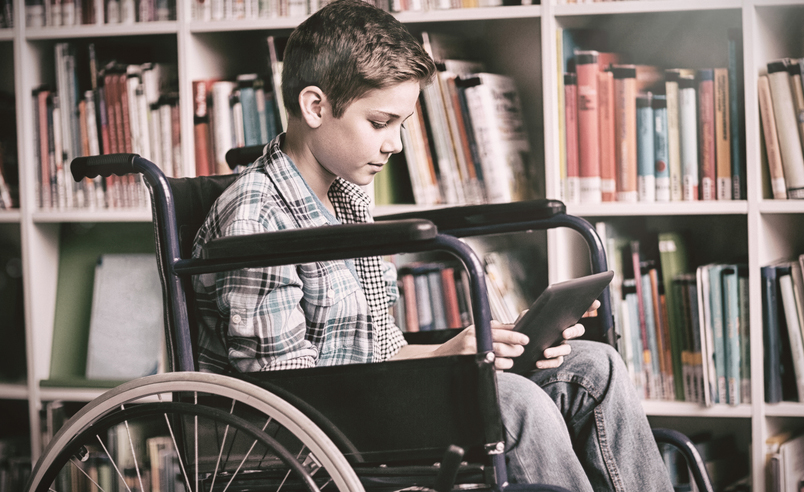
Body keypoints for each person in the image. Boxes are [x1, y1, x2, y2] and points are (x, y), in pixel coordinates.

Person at [191, 1, 673, 490]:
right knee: (513, 403)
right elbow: (287, 392)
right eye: (380, 123)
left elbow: (380, 351)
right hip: (313, 428)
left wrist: (465, 349)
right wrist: (446, 367)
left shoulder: (346, 197)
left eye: (402, 124)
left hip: (368, 398)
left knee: (595, 366)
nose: (395, 144)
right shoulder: (255, 213)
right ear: (315, 106)